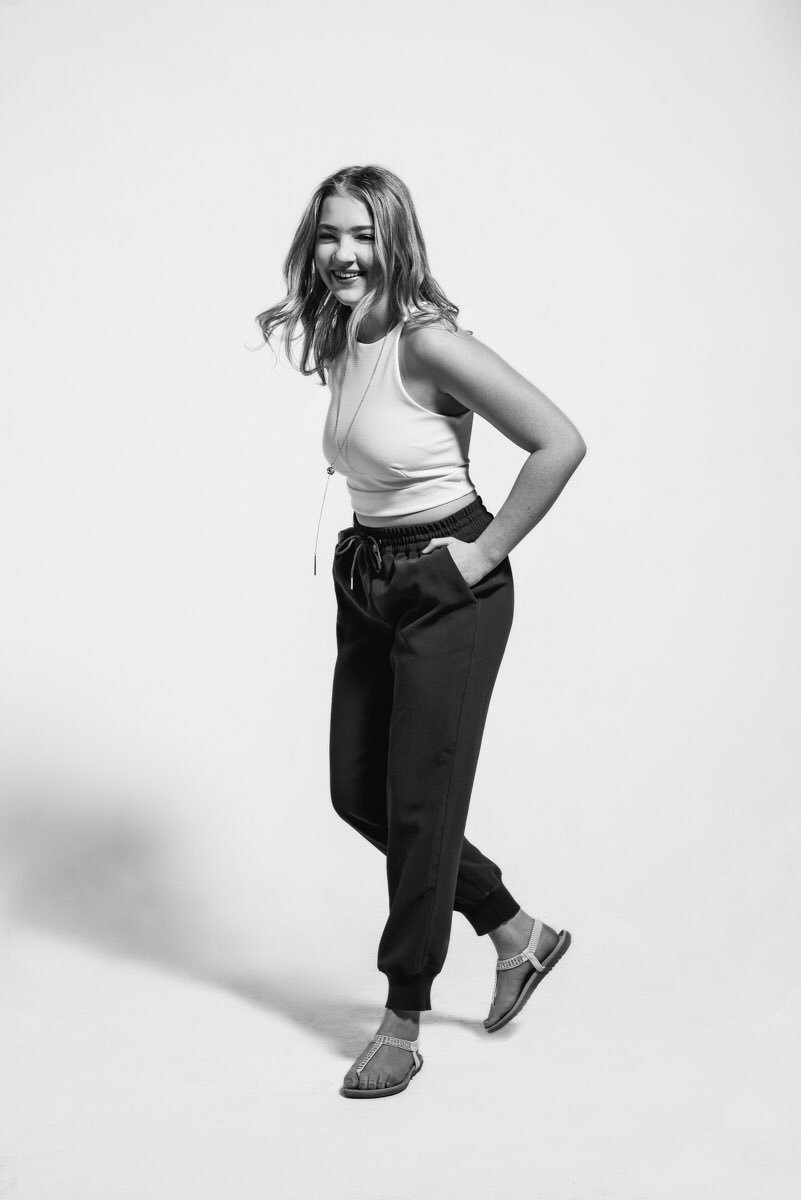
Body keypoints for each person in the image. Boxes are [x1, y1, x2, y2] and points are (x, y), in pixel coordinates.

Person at [256, 164, 586, 1099]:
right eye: (329, 233)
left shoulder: (429, 341)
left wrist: (476, 559)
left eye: (361, 234)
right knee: (358, 789)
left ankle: (402, 1018)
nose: (342, 253)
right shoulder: (340, 331)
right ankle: (517, 933)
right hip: (368, 575)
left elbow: (559, 441)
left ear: (394, 239)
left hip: (447, 585)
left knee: (417, 806)